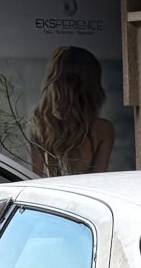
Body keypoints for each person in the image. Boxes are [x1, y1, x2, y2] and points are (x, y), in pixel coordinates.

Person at [28, 46, 114, 177]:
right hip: (83, 195)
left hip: (47, 195)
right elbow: (98, 180)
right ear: (93, 84)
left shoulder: (41, 122)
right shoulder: (103, 129)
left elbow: (35, 177)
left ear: (54, 80)